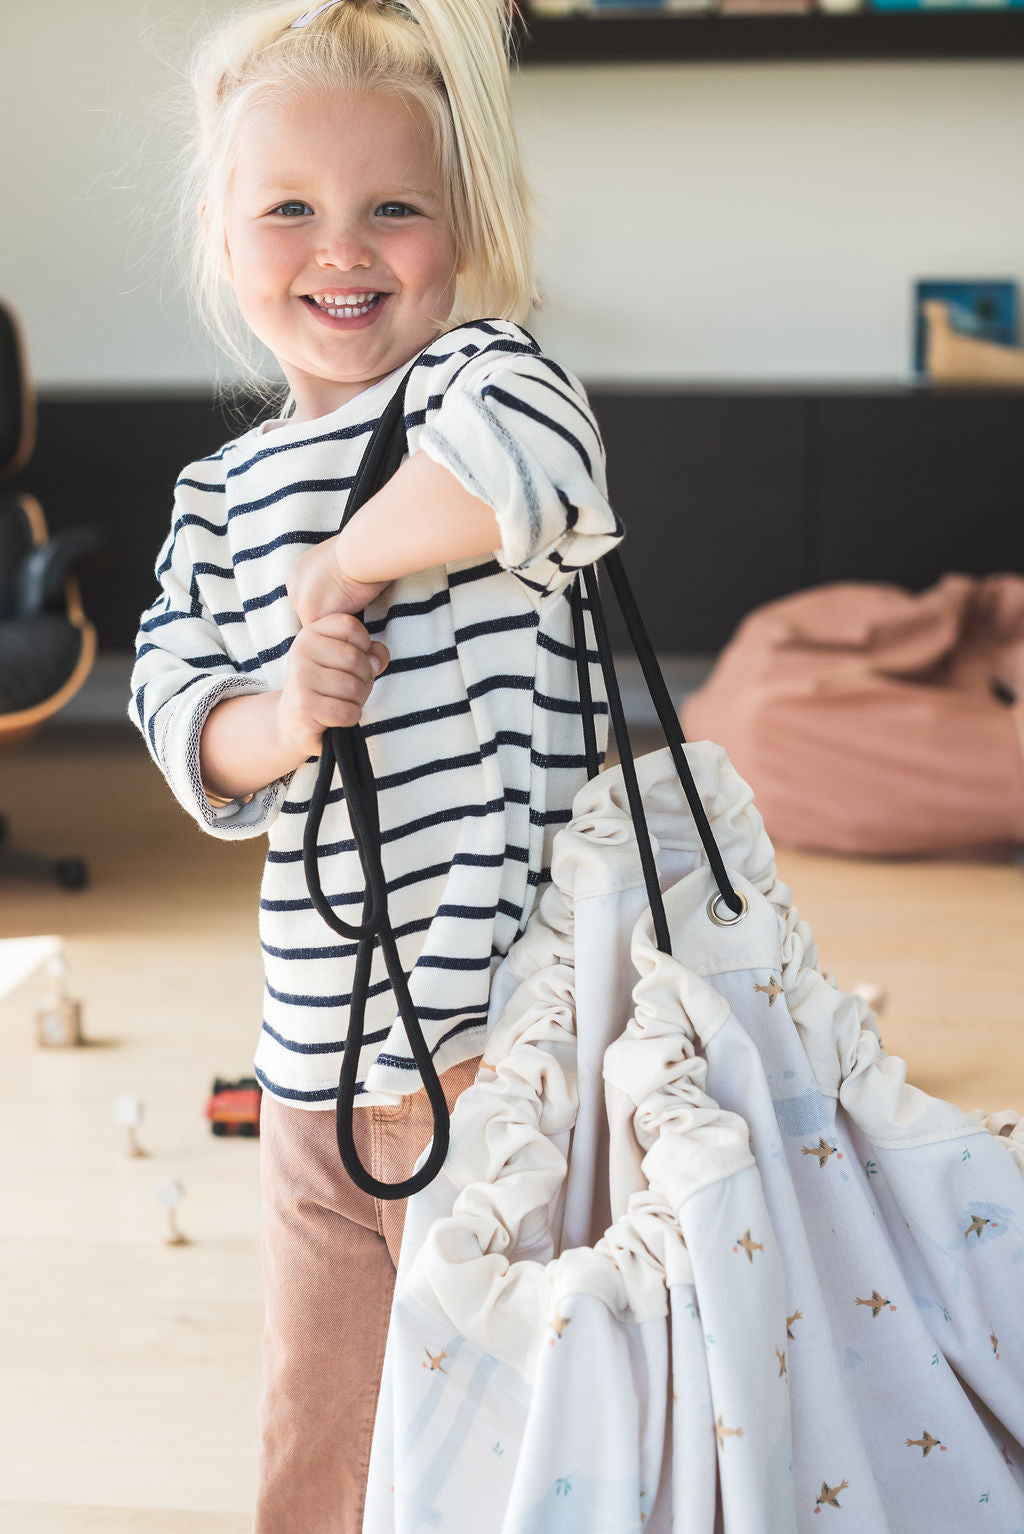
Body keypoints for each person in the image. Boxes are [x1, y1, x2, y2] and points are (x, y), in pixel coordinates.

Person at [128, 0, 623, 1527]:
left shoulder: (482, 377)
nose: (341, 249)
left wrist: (343, 562)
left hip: (510, 1035)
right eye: (289, 209)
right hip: (313, 1053)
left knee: (518, 1409)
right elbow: (177, 705)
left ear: (458, 232)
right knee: (322, 1410)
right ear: (224, 242)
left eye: (391, 207)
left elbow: (540, 478)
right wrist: (278, 717)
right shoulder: (214, 499)